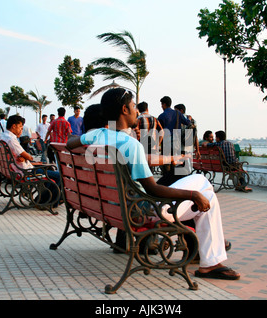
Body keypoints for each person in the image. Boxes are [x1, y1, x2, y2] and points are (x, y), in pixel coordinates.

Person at [67, 88, 240, 280]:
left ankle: (210, 255)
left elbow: (69, 143)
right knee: (204, 190)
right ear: (124, 110)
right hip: (141, 211)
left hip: (112, 207)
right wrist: (192, 195)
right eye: (133, 106)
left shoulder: (97, 134)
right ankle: (210, 262)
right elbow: (152, 189)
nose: (136, 111)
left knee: (205, 191)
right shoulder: (131, 144)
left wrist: (84, 140)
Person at [0, 115, 61, 206]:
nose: (21, 130)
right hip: (25, 171)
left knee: (50, 171)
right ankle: (48, 202)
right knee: (60, 176)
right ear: (13, 126)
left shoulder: (3, 136)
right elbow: (29, 157)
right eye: (20, 127)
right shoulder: (11, 139)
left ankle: (43, 199)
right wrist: (26, 157)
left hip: (15, 169)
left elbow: (22, 156)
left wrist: (24, 157)